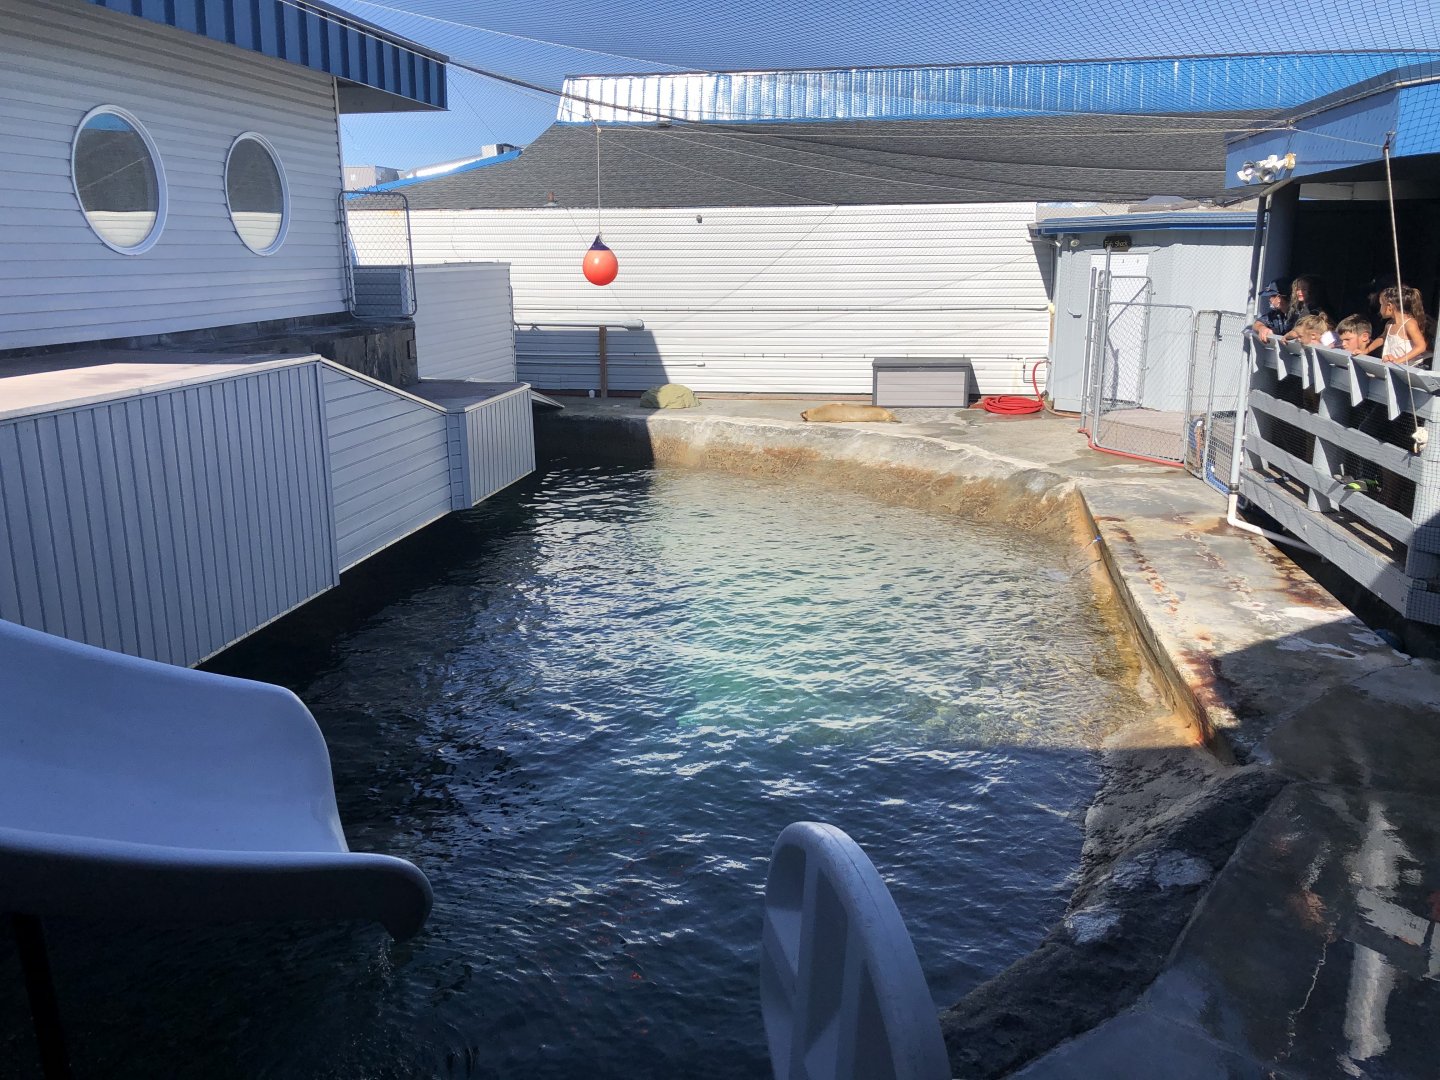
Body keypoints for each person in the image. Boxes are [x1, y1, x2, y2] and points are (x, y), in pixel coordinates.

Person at [1369, 285, 1429, 366]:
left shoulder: (1409, 323)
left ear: (1389, 306)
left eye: (1381, 304)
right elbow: (1382, 338)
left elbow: (1421, 346)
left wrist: (1398, 361)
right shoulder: (1389, 324)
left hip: (1410, 368)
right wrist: (1366, 350)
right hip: (1394, 366)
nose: (1380, 309)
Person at [1255, 275, 1325, 343]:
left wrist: (1287, 336)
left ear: (1280, 297)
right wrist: (1261, 328)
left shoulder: (1308, 312)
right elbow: (1258, 322)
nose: (1269, 299)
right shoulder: (1277, 313)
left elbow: (1299, 331)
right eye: (1297, 290)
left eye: (1272, 295)